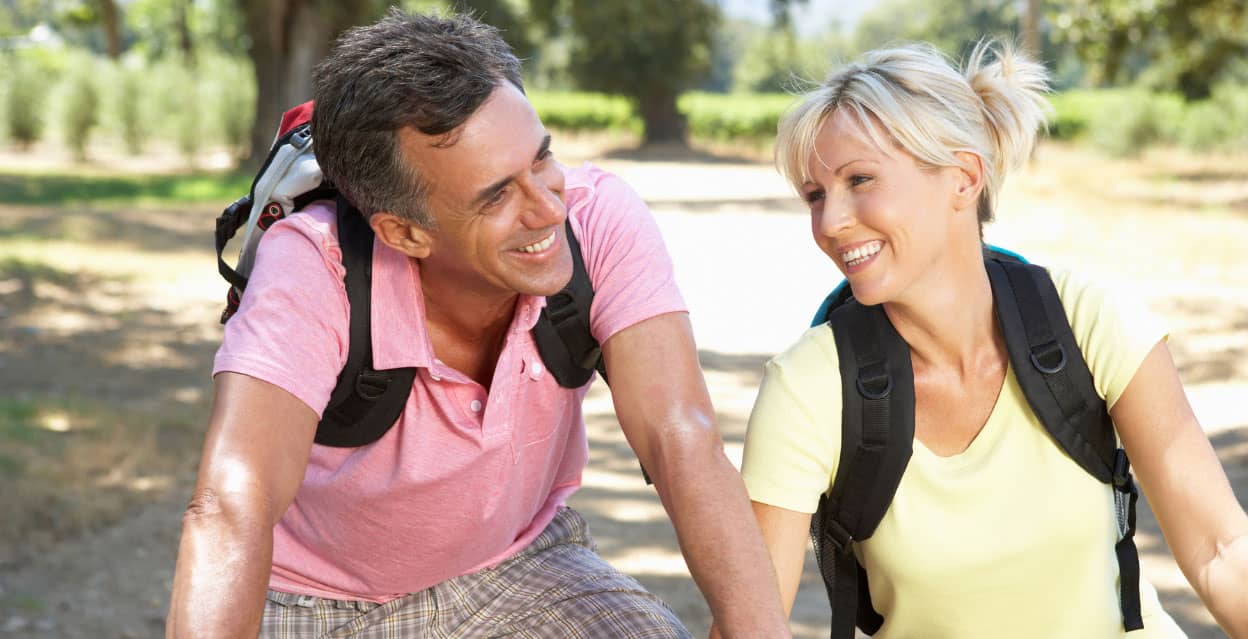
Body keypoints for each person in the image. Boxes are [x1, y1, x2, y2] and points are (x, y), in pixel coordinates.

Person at [166, 10, 789, 639]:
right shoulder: (313, 266)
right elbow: (230, 508)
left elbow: (681, 437)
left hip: (523, 566)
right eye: (496, 196)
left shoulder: (597, 219)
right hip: (317, 603)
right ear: (404, 231)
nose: (548, 209)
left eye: (542, 160)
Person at [737, 41, 1248, 638]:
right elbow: (751, 622)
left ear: (963, 178)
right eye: (815, 195)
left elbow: (1222, 550)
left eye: (860, 180)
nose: (830, 223)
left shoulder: (1087, 322)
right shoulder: (808, 388)